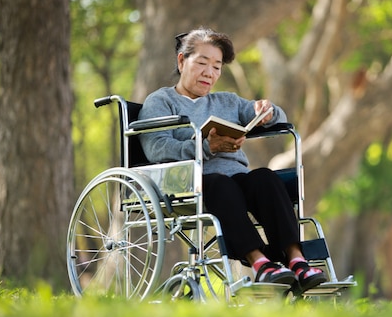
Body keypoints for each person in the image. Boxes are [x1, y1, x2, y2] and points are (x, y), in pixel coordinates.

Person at [138, 27, 327, 293]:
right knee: (219, 185)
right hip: (191, 182)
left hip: (237, 178)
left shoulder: (227, 101)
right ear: (182, 61)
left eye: (216, 67)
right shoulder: (161, 101)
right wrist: (205, 147)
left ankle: (297, 260)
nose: (209, 73)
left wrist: (267, 112)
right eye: (202, 63)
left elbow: (278, 117)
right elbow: (156, 148)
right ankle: (260, 264)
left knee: (266, 178)